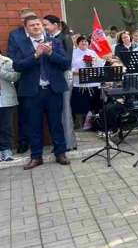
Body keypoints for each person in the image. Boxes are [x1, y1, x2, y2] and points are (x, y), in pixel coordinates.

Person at [10, 15, 70, 169]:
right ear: (26, 28)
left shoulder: (55, 42)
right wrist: (36, 55)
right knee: (33, 125)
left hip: (53, 90)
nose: (36, 27)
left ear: (42, 26)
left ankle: (60, 153)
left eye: (38, 24)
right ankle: (36, 157)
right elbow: (17, 66)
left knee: (56, 124)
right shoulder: (20, 44)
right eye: (32, 25)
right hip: (32, 92)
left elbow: (65, 64)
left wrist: (50, 54)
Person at [43, 15, 76, 150]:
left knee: (65, 109)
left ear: (55, 25)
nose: (44, 27)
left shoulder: (65, 38)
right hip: (53, 78)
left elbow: (67, 61)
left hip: (64, 76)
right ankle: (63, 142)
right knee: (58, 110)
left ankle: (69, 143)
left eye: (46, 24)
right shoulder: (48, 39)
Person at [7, 8, 37, 154]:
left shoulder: (42, 33)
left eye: (32, 17)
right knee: (24, 113)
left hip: (42, 79)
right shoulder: (15, 35)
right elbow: (13, 57)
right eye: (26, 18)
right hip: (24, 78)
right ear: (22, 21)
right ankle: (24, 141)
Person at [71, 36, 104, 130]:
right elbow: (69, 67)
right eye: (82, 41)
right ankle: (79, 124)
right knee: (79, 105)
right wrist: (78, 72)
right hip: (79, 83)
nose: (84, 43)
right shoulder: (73, 53)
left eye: (86, 41)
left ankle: (92, 123)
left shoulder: (92, 52)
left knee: (93, 104)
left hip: (92, 83)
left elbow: (99, 65)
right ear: (77, 43)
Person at [0, 48, 20, 161]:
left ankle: (6, 149)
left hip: (5, 100)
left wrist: (1, 72)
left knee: (6, 126)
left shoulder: (7, 61)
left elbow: (16, 76)